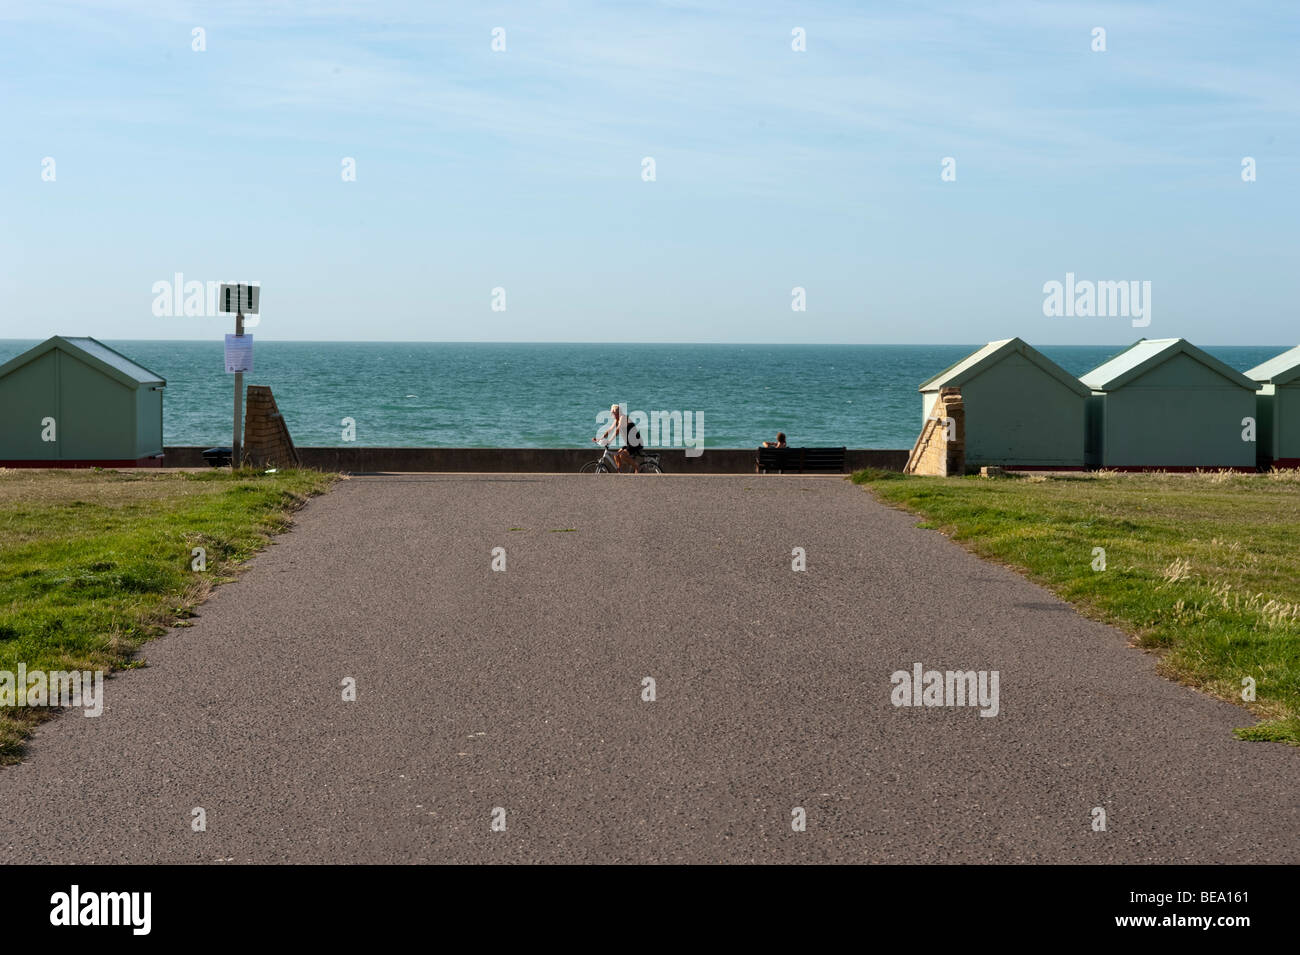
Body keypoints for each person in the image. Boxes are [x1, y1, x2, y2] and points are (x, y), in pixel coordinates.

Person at [594, 403, 644, 473]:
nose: (612, 415)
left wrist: (609, 441)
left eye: (612, 414)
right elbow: (610, 430)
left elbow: (617, 429)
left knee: (623, 455)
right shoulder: (617, 420)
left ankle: (637, 467)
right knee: (616, 455)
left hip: (636, 443)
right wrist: (600, 438)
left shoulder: (623, 418)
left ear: (616, 413)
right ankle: (619, 473)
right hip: (629, 443)